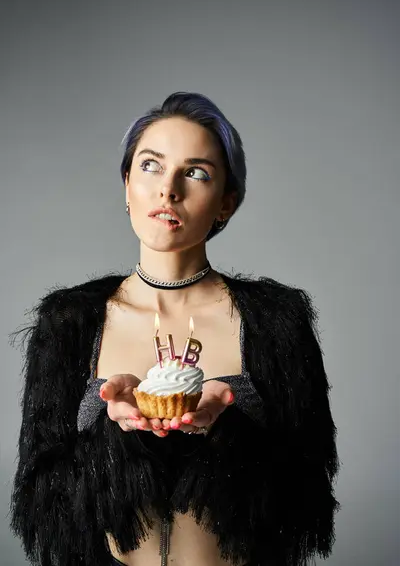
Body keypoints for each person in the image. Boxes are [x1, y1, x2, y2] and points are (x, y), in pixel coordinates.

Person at [9, 91, 340, 566]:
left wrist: (227, 431)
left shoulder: (276, 321)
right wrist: (114, 431)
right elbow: (38, 507)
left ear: (226, 202)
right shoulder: (68, 321)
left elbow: (310, 505)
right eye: (150, 166)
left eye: (196, 172)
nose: (168, 190)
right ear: (126, 184)